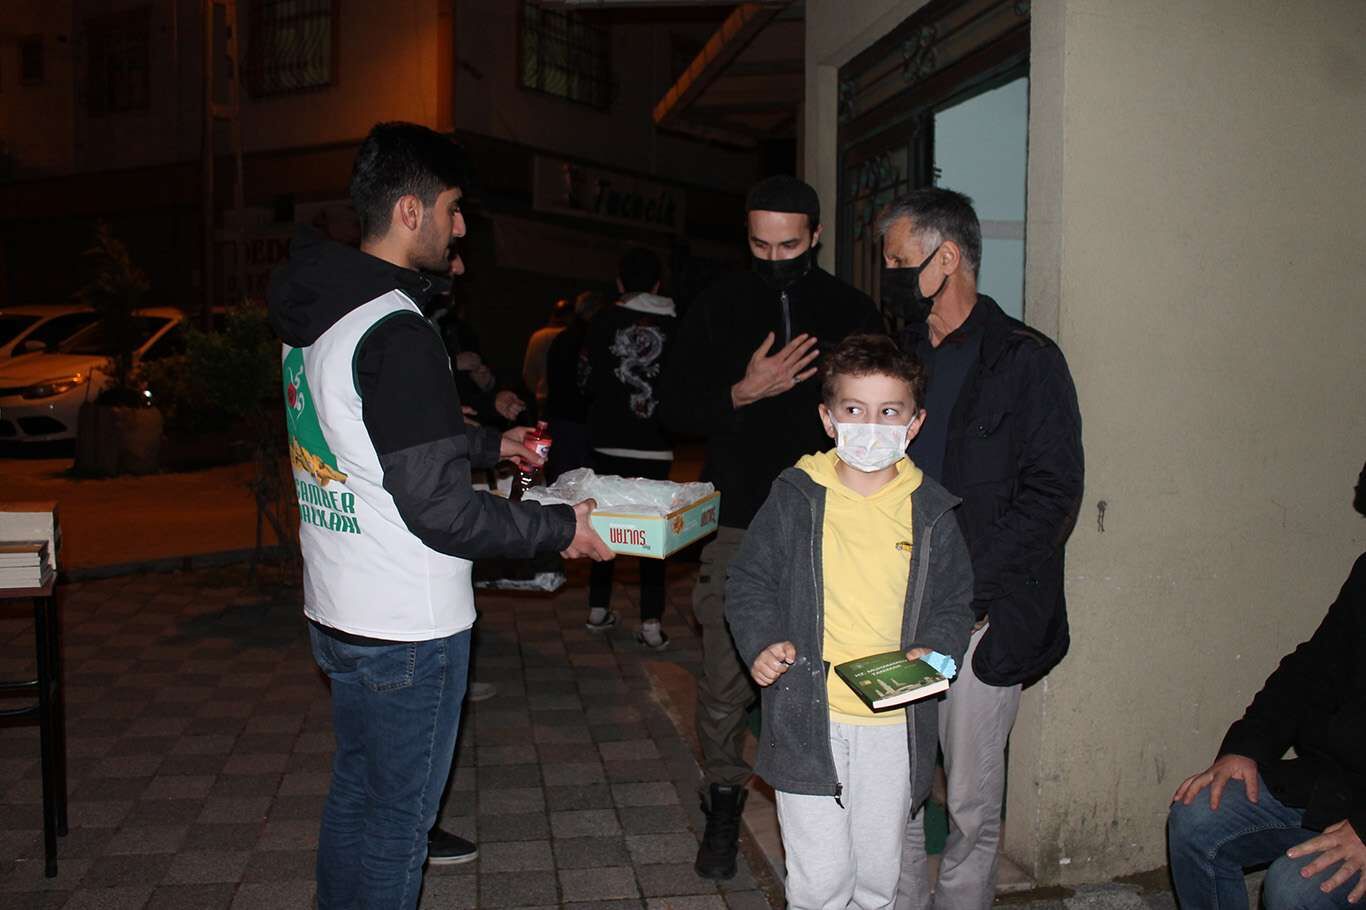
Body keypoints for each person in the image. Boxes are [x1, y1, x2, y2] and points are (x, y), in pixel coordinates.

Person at [267, 121, 613, 910]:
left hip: (339, 609)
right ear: (412, 211)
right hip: (408, 624)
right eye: (454, 209)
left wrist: (493, 442)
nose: (461, 229)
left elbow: (366, 436)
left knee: (355, 793)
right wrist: (562, 529)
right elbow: (442, 513)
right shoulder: (397, 329)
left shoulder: (318, 314)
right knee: (398, 826)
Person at [659, 174, 883, 880]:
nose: (776, 258)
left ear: (816, 235)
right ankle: (724, 801)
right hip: (740, 520)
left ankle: (829, 808)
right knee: (726, 676)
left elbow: (886, 408)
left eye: (789, 245)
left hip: (833, 522)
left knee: (825, 673)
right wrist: (741, 392)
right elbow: (669, 408)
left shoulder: (852, 309)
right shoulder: (717, 303)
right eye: (761, 245)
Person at [881, 187, 1084, 910]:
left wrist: (966, 589)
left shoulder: (1026, 361)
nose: (889, 276)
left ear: (947, 258)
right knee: (897, 791)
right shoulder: (898, 357)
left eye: (899, 262)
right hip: (894, 607)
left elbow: (1052, 495)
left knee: (969, 801)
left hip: (979, 618)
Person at [726, 333, 975, 910]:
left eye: (889, 411)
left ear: (914, 423)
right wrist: (761, 641)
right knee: (820, 882)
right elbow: (750, 580)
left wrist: (937, 647)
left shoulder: (932, 510)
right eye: (855, 410)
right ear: (828, 418)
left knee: (877, 880)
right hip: (808, 719)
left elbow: (953, 601)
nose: (871, 425)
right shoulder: (796, 496)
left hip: (893, 725)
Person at [1166, 461, 1366, 910]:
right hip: (1342, 784)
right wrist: (1247, 748)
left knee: (1297, 888)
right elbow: (1309, 671)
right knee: (1198, 816)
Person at [584, 247, 677, 649]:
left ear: (620, 282)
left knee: (602, 522)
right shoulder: (678, 325)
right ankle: (651, 622)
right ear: (657, 285)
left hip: (607, 441)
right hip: (656, 444)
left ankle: (597, 608)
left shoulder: (602, 321)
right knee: (652, 535)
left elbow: (585, 378)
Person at [544, 290, 609, 479]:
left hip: (559, 417)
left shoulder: (563, 337)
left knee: (561, 479)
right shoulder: (595, 338)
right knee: (586, 482)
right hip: (583, 421)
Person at [522, 298, 572, 414]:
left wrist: (539, 391)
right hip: (568, 399)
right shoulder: (572, 336)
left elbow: (528, 372)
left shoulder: (538, 337)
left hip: (543, 399)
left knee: (544, 425)